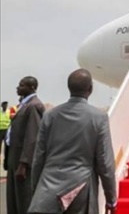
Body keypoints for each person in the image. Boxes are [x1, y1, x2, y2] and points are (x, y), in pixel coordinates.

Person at [29, 69, 117, 214]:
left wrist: (37, 192)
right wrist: (111, 199)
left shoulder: (50, 116)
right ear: (90, 89)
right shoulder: (98, 118)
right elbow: (105, 163)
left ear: (69, 88)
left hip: (48, 189)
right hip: (81, 190)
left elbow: (38, 158)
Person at [6, 76, 46, 214]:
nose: (18, 87)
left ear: (32, 88)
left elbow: (32, 136)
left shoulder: (33, 106)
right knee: (13, 202)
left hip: (22, 164)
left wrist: (24, 164)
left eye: (22, 85)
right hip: (14, 160)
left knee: (24, 202)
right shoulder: (23, 105)